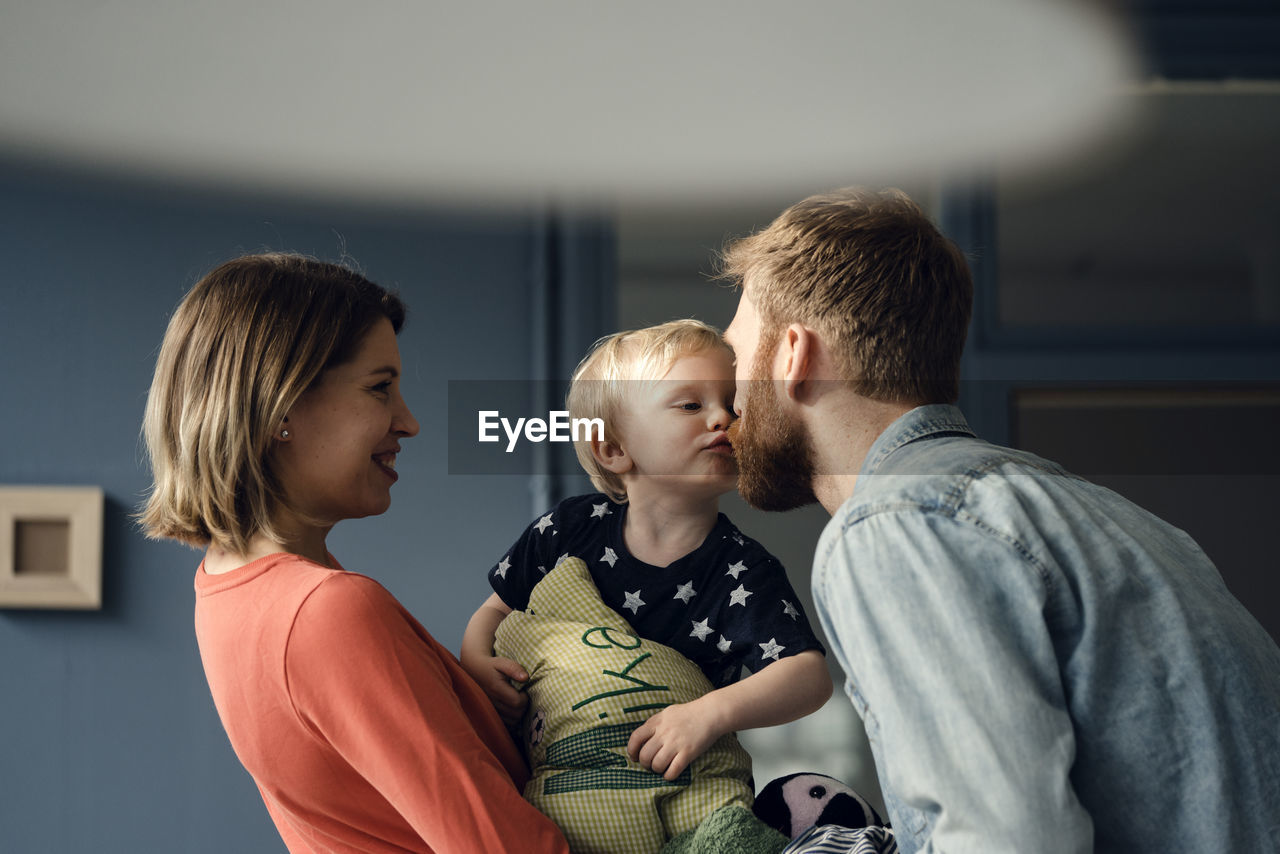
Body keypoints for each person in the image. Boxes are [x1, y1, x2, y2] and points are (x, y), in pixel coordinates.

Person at [718, 187, 1280, 853]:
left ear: (791, 357)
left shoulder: (896, 522)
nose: (724, 406)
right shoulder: (1103, 517)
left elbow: (1006, 839)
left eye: (733, 362)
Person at [139, 253, 569, 854]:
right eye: (379, 389)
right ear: (280, 408)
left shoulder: (225, 585)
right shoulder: (327, 610)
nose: (409, 421)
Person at [461, 319, 833, 783]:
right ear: (614, 449)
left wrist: (708, 715)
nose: (723, 418)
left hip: (677, 787)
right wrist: (475, 662)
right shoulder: (568, 529)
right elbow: (495, 611)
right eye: (691, 404)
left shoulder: (741, 570)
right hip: (554, 774)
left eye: (732, 404)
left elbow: (808, 677)